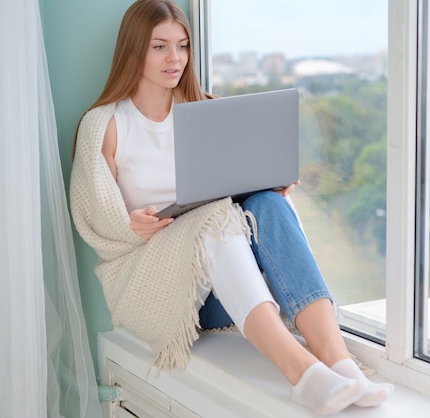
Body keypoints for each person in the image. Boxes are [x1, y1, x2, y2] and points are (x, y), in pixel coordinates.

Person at [69, 0, 393, 415]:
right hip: (173, 293)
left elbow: (236, 197)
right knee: (210, 221)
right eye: (160, 47)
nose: (176, 58)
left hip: (232, 286)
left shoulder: (206, 109)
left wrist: (267, 182)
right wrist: (130, 225)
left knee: (267, 205)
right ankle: (302, 373)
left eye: (183, 46)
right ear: (133, 49)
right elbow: (95, 219)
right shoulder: (106, 124)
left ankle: (343, 367)